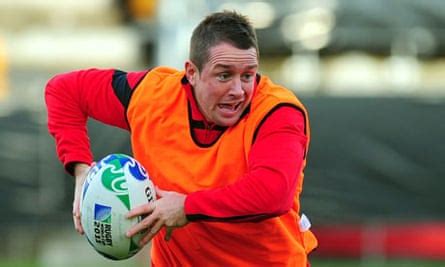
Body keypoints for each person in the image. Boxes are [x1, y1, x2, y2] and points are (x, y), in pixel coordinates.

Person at [45, 10, 317, 266]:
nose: (239, 90)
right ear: (191, 73)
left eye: (248, 75)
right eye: (224, 75)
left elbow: (272, 193)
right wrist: (81, 170)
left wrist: (187, 207)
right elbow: (63, 91)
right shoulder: (152, 97)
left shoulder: (278, 112)